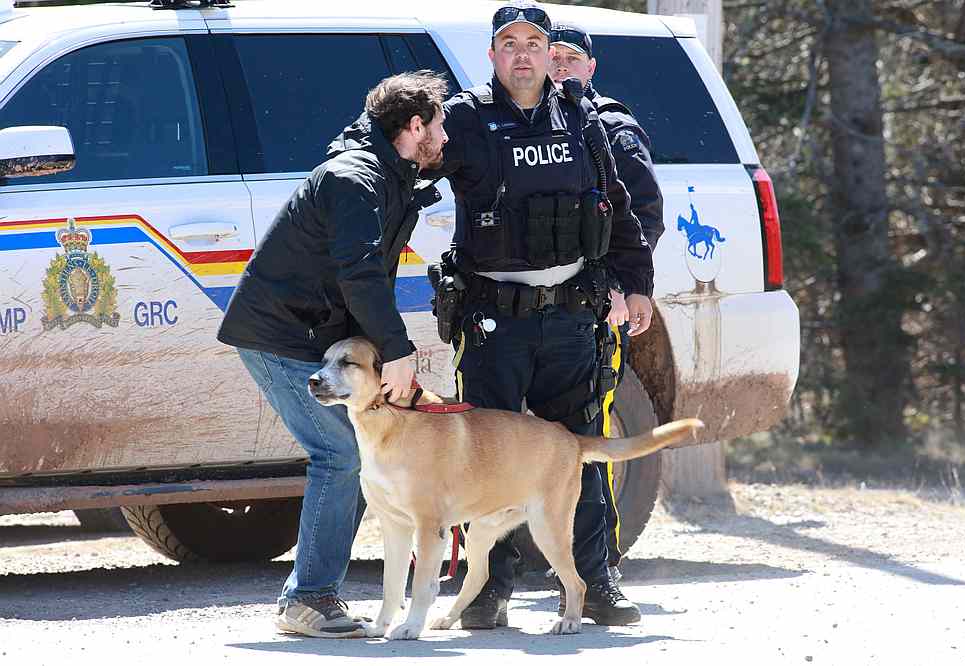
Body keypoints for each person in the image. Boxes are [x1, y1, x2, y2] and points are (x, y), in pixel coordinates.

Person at [424, 0, 654, 629]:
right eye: (509, 43)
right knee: (484, 459)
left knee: (580, 449)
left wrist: (636, 283)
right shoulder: (466, 120)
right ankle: (489, 589)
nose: (523, 54)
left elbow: (618, 205)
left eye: (534, 42)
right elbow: (404, 165)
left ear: (552, 54)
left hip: (571, 315)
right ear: (493, 55)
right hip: (493, 316)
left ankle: (595, 581)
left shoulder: (581, 116)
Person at [216, 71, 449, 638]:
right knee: (340, 452)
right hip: (280, 334)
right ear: (414, 126)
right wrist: (394, 351)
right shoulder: (355, 179)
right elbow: (361, 277)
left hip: (312, 335)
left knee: (352, 449)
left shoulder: (389, 176)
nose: (446, 138)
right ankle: (309, 599)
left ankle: (315, 594)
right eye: (440, 126)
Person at [548, 22, 665, 578]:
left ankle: (600, 563)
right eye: (553, 57)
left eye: (572, 58)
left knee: (593, 431)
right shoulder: (535, 126)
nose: (560, 67)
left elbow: (641, 216)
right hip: (548, 303)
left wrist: (625, 287)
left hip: (601, 304)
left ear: (591, 68)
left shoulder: (611, 129)